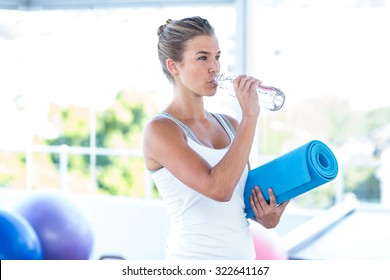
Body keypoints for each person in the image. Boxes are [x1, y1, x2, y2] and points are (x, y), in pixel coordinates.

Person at [142, 16, 289, 260]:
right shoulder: (160, 131)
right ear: (174, 66)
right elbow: (219, 189)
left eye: (217, 57)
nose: (215, 68)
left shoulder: (231, 125)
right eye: (203, 57)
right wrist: (250, 117)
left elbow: (243, 200)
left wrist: (268, 215)